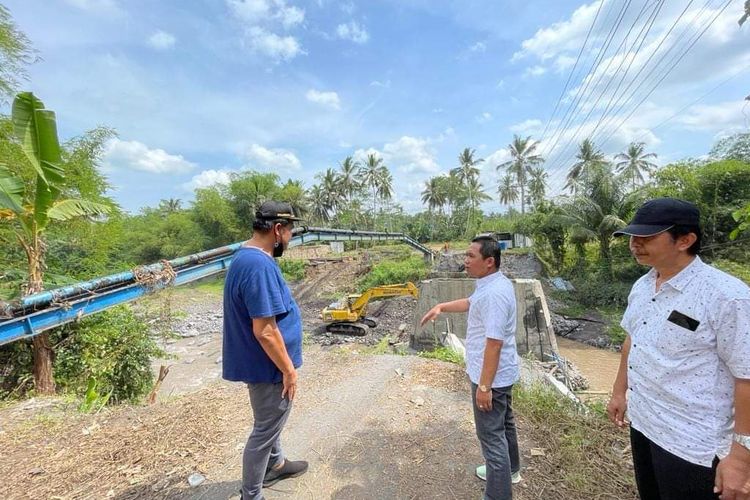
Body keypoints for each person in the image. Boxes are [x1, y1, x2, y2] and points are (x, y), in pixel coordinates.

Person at [606, 197, 750, 500]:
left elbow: (746, 377)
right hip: (645, 423)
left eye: (647, 237)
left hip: (693, 444)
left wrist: (741, 457)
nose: (635, 244)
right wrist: (620, 391)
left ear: (685, 240)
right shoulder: (643, 285)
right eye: (633, 236)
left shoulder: (727, 297)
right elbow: (633, 340)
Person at [420, 236, 521, 500]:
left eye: (470, 256)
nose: (465, 261)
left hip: (491, 377)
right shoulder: (490, 285)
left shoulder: (495, 294)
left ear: (489, 262)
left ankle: (498, 494)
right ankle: (512, 471)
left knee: (491, 436)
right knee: (505, 423)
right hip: (502, 374)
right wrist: (441, 306)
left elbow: (494, 343)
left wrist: (485, 386)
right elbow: (471, 303)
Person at [223, 200, 309, 500]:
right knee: (264, 431)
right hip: (268, 368)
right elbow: (266, 330)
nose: (290, 238)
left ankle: (277, 463)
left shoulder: (248, 258)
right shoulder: (258, 265)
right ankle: (252, 495)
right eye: (290, 232)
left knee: (268, 422)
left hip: (261, 365)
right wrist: (288, 370)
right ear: (277, 229)